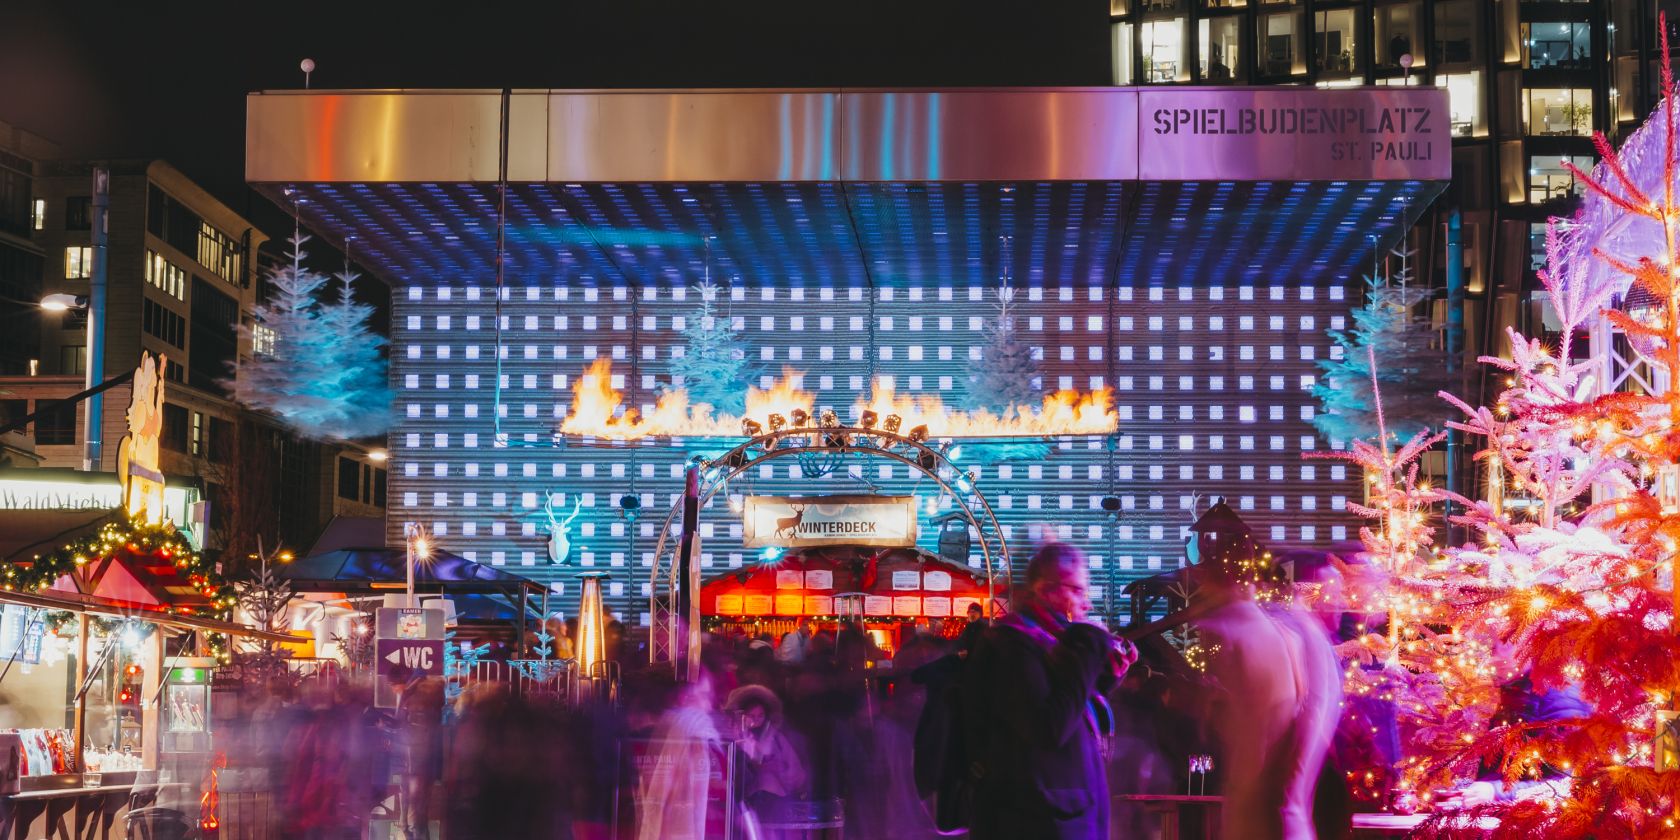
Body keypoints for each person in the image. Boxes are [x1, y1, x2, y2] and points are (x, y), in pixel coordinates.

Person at [963, 542, 1137, 839]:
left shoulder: (1050, 643)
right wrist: (1087, 648)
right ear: (1048, 591)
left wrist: (1105, 673)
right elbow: (1048, 726)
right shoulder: (1014, 644)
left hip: (1060, 817)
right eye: (1078, 590)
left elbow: (1071, 704)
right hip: (1035, 821)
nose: (1087, 604)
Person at [1196, 547, 1341, 840]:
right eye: (1334, 591)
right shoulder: (1299, 634)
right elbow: (1306, 712)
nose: (1340, 602)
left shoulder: (1293, 632)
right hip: (1275, 799)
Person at [726, 685, 809, 831]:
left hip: (775, 802)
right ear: (743, 715)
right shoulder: (735, 739)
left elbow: (796, 773)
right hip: (744, 804)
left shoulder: (776, 739)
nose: (756, 720)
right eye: (752, 716)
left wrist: (778, 769)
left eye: (760, 716)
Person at [386, 663, 445, 840]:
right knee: (417, 813)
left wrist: (393, 729)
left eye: (393, 685)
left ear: (402, 681)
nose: (392, 690)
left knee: (417, 814)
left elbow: (418, 733)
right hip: (415, 761)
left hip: (416, 763)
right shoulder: (416, 693)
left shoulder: (417, 697)